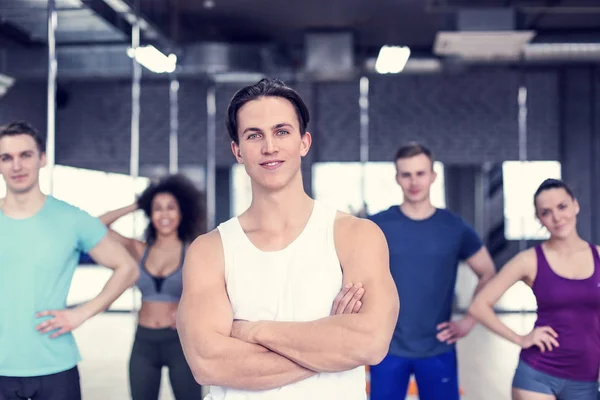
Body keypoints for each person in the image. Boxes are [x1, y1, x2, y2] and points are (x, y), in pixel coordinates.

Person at [177, 78, 400, 400]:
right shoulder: (210, 250)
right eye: (254, 135)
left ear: (303, 142)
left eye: (282, 132)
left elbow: (371, 343)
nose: (270, 147)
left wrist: (253, 331)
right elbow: (208, 363)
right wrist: (330, 344)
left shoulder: (356, 236)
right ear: (237, 151)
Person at [0, 121, 139, 399]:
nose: (16, 165)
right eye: (6, 157)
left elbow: (128, 268)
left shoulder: (72, 219)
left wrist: (82, 313)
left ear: (42, 159)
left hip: (56, 366)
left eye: (25, 155)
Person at [367, 142, 496, 400]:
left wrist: (470, 319)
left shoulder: (454, 227)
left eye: (420, 173)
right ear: (397, 178)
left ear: (433, 176)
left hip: (438, 347)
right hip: (386, 347)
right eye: (406, 174)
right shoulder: (377, 226)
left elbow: (488, 272)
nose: (414, 181)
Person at [469, 178, 600, 400]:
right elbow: (479, 306)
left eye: (562, 206)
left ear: (575, 205)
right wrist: (521, 339)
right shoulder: (528, 260)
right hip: (537, 376)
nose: (557, 217)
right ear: (539, 218)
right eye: (546, 212)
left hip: (585, 379)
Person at [98, 174, 205, 400]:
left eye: (170, 207)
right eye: (157, 208)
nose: (164, 214)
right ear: (150, 213)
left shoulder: (195, 250)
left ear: (182, 212)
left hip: (180, 343)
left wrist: (189, 311)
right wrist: (139, 203)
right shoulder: (139, 249)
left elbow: (213, 293)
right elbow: (97, 224)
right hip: (144, 342)